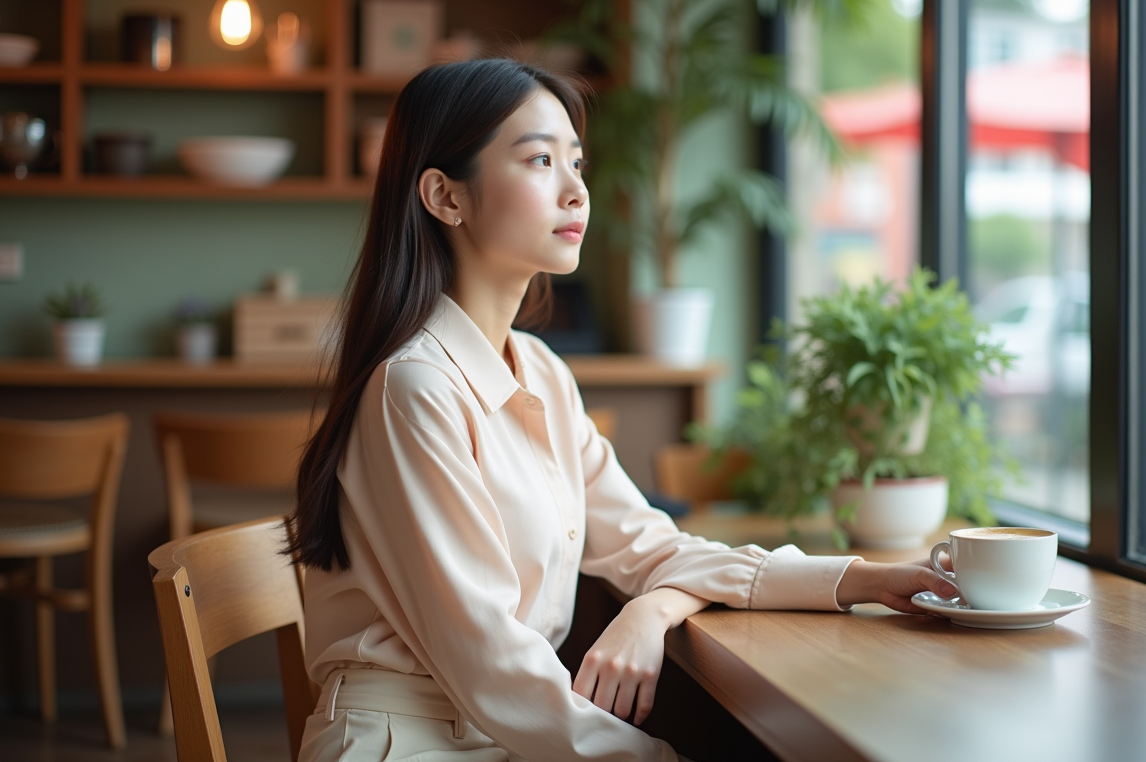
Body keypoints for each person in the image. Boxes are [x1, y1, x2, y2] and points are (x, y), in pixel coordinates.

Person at [286, 58, 959, 762]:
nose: (577, 191)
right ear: (445, 196)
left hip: (506, 732)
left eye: (576, 162)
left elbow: (652, 550)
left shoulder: (540, 371)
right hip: (404, 742)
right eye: (541, 160)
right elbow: (489, 661)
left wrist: (860, 579)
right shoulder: (415, 388)